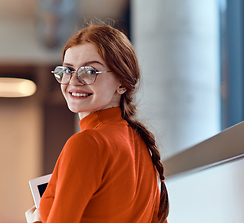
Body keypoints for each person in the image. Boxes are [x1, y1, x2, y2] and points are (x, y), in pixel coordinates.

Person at [25, 23, 169, 223]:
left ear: (121, 82)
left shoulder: (87, 143)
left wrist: (36, 221)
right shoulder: (144, 146)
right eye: (67, 70)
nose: (73, 81)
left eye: (89, 72)